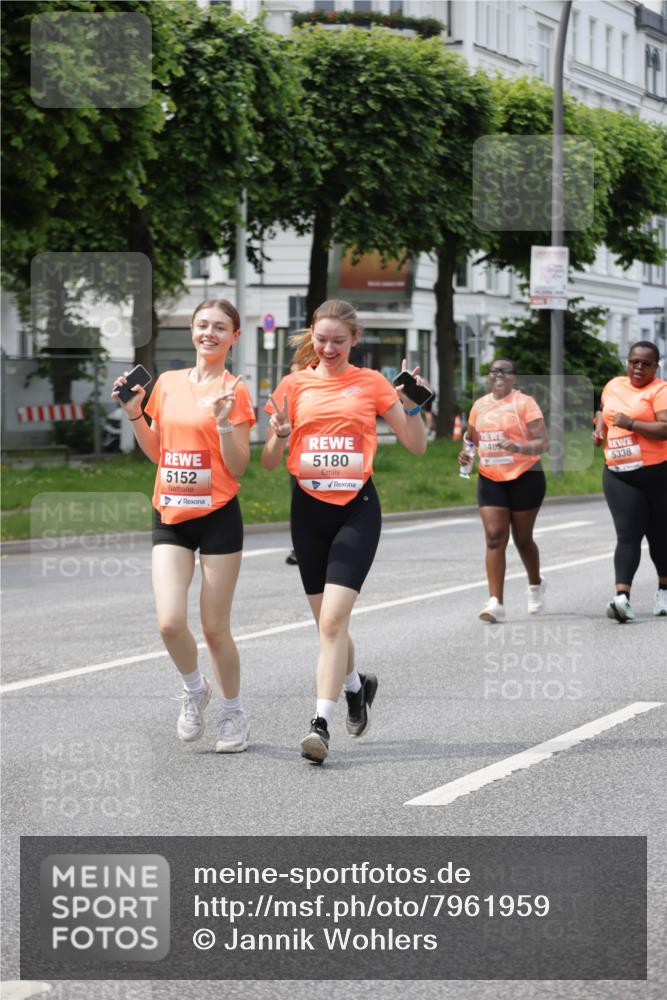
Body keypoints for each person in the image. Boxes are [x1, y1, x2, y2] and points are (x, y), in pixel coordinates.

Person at [261, 299, 428, 764]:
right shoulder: (293, 385)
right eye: (321, 339)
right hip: (307, 511)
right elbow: (270, 461)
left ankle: (320, 724)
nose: (329, 348)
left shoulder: (372, 383)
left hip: (357, 510)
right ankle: (356, 687)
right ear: (311, 336)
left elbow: (416, 446)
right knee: (327, 626)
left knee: (333, 622)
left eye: (338, 340)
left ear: (355, 339)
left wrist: (412, 407)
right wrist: (279, 433)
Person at [112, 299, 256, 752]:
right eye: (202, 325)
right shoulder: (169, 383)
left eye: (220, 327)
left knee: (214, 628)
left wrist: (223, 424)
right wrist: (135, 412)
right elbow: (158, 453)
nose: (209, 333)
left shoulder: (235, 390)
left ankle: (233, 713)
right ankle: (196, 689)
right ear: (193, 331)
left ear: (234, 337)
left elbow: (238, 466)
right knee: (170, 623)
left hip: (217, 516)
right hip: (171, 513)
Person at [459, 360, 549, 623]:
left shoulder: (525, 403)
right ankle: (495, 602)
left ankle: (535, 584)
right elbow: (470, 440)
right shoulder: (479, 406)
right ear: (489, 377)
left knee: (522, 539)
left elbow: (543, 443)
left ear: (514, 377)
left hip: (525, 476)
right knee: (495, 537)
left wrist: (518, 447)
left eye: (505, 371)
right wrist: (465, 455)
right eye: (494, 371)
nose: (499, 375)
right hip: (491, 478)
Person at [594, 341, 667, 622]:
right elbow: (603, 410)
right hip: (619, 473)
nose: (638, 367)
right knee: (628, 535)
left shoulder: (660, 391)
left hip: (657, 474)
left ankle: (664, 590)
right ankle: (622, 598)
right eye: (633, 361)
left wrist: (632, 424)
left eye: (645, 364)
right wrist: (599, 428)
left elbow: (665, 428)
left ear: (655, 367)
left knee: (659, 535)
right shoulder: (614, 385)